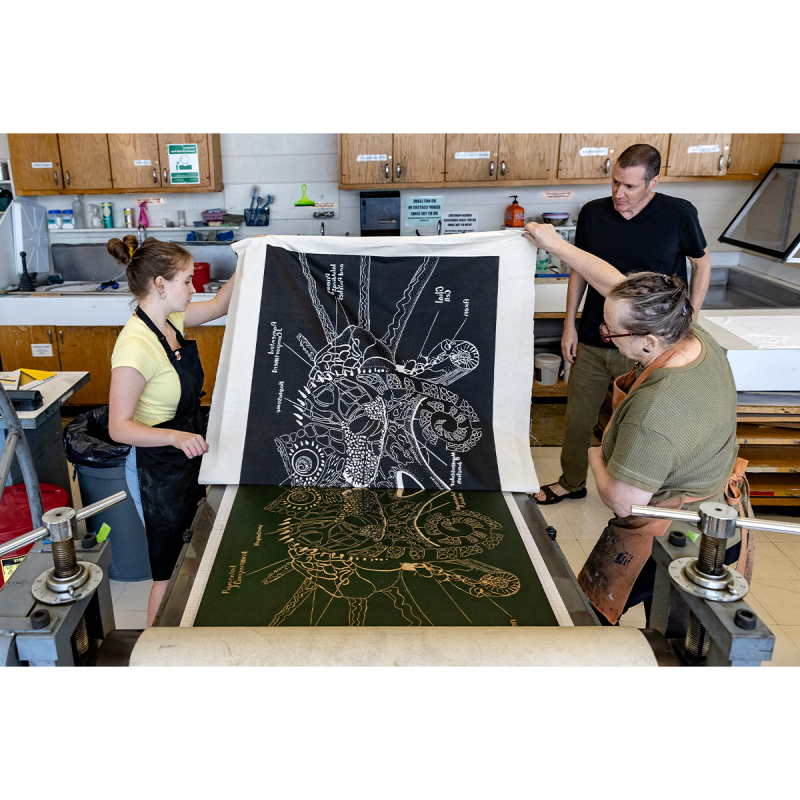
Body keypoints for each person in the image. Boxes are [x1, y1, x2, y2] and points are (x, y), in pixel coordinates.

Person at [523, 221, 753, 626]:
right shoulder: (688, 332)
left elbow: (625, 501)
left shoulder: (654, 412)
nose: (607, 335)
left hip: (680, 536)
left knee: (620, 621)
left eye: (609, 332)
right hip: (724, 507)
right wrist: (554, 244)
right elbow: (615, 285)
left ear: (648, 342)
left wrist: (597, 456)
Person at [534, 143, 713, 505]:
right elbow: (579, 270)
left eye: (630, 186)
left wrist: (688, 317)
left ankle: (633, 495)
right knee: (578, 420)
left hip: (648, 345)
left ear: (653, 182)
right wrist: (571, 323)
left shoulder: (679, 213)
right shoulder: (593, 213)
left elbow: (702, 263)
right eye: (615, 182)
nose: (619, 193)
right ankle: (572, 482)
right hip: (593, 337)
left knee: (638, 426)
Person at [107, 235, 236, 626]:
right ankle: (156, 654)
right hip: (157, 466)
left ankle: (190, 640)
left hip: (186, 454)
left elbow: (219, 305)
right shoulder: (135, 346)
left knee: (195, 554)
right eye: (185, 280)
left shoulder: (169, 321)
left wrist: (248, 254)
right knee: (168, 569)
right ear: (159, 284)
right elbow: (119, 427)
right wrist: (175, 437)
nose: (193, 288)